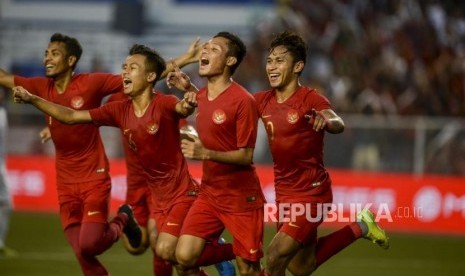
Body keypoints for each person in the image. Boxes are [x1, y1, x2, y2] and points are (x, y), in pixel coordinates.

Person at [12, 43, 233, 276]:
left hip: (182, 194)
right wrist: (32, 99)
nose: (125, 72)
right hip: (155, 195)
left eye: (132, 67)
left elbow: (183, 108)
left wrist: (188, 102)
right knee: (175, 262)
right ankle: (216, 251)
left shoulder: (163, 103)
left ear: (149, 77)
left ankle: (236, 250)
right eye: (124, 67)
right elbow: (71, 116)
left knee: (166, 250)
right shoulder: (118, 109)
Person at [253, 31, 390, 276]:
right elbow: (231, 107)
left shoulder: (310, 99)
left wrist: (325, 122)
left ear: (298, 66)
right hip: (284, 193)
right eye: (270, 60)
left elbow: (337, 121)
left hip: (312, 192)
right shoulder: (262, 100)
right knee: (300, 266)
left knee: (274, 256)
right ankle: (361, 227)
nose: (271, 66)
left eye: (279, 61)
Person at [167, 31, 265, 276]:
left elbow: (245, 156)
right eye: (206, 48)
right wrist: (186, 85)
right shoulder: (201, 94)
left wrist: (205, 153)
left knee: (248, 270)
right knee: (184, 257)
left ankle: (247, 255)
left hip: (242, 199)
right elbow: (208, 103)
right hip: (210, 194)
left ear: (230, 61)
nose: (205, 52)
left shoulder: (244, 101)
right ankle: (233, 252)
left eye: (214, 49)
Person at [0, 88, 18, 258]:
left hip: (1, 166)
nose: (2, 95)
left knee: (5, 204)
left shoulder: (3, 113)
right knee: (6, 204)